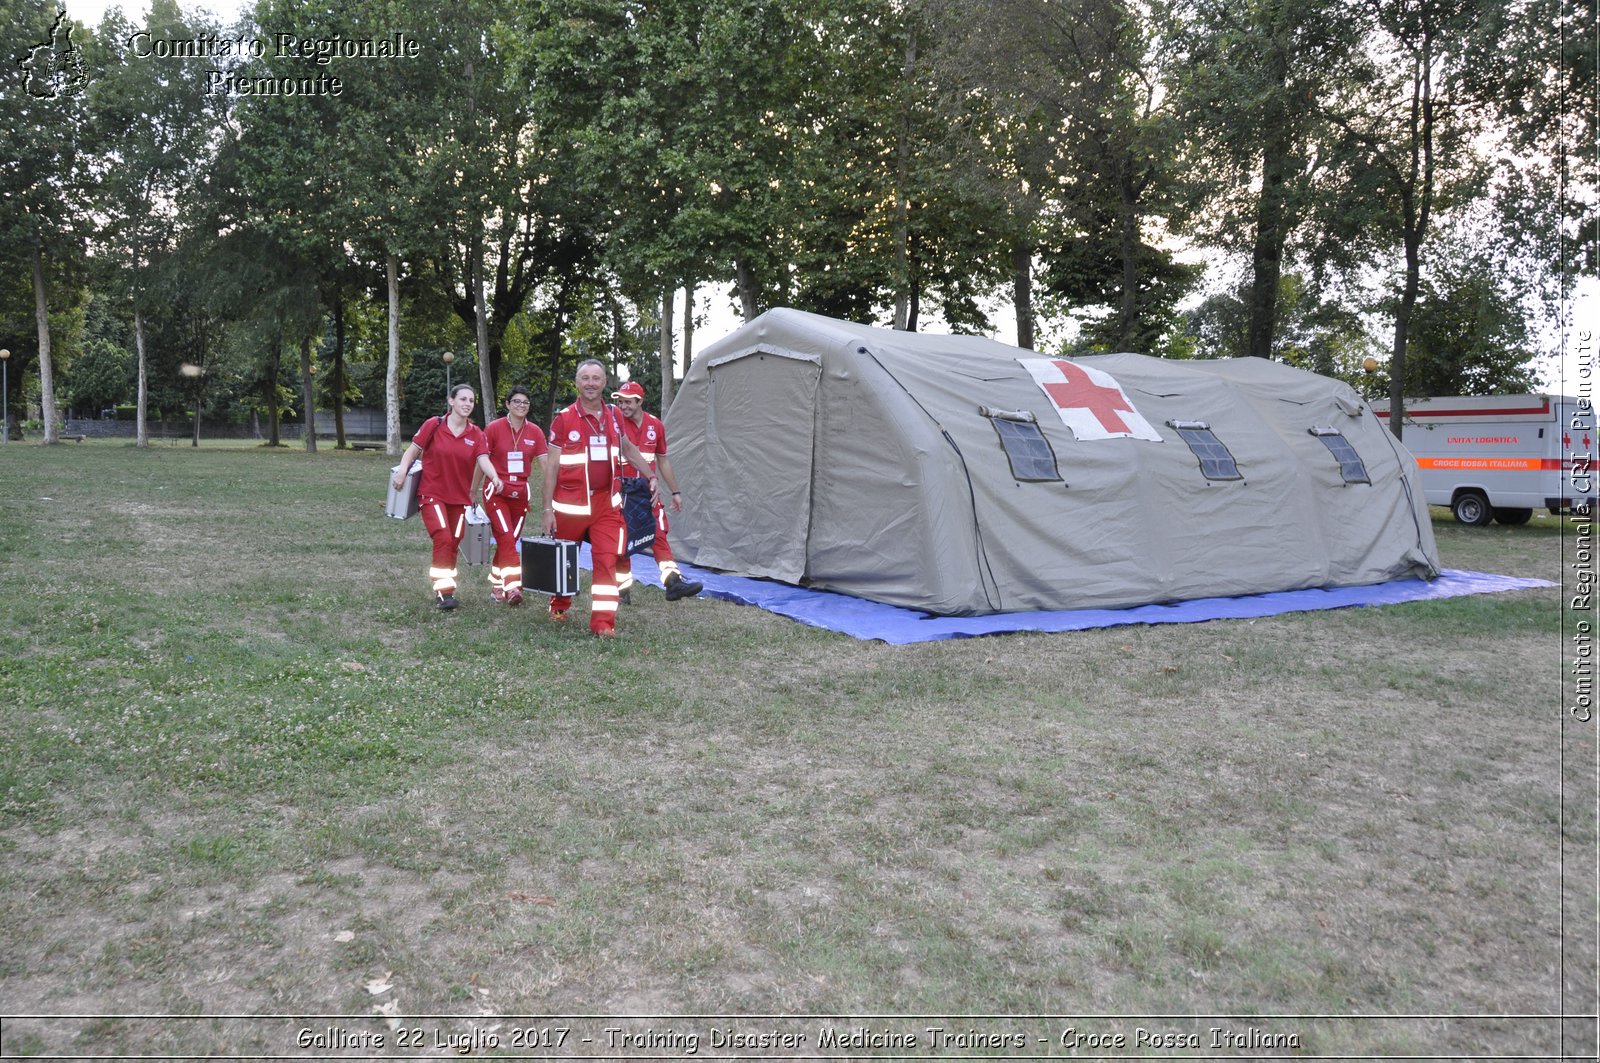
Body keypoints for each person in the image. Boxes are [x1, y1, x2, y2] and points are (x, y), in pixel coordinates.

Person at [539, 359, 660, 637]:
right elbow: (552, 468)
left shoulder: (616, 416)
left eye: (596, 378)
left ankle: (603, 623)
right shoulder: (564, 418)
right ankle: (559, 604)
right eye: (585, 378)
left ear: (605, 382)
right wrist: (547, 509)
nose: (591, 383)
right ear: (577, 382)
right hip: (570, 507)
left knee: (607, 560)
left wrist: (650, 475)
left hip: (607, 504)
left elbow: (628, 448)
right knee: (566, 561)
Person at [391, 384, 503, 610]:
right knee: (442, 536)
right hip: (432, 493)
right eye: (462, 399)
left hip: (460, 499)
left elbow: (483, 459)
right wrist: (402, 471)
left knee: (453, 541)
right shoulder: (434, 425)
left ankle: (446, 585)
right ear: (451, 401)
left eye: (471, 401)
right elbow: (413, 451)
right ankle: (444, 592)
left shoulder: (476, 434)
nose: (467, 404)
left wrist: (494, 476)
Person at [610, 380, 703, 604]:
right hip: (621, 490)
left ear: (640, 401)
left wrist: (675, 492)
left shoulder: (655, 425)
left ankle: (673, 582)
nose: (623, 406)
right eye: (620, 402)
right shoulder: (614, 423)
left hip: (647, 491)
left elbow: (663, 460)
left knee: (658, 534)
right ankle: (622, 590)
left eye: (628, 402)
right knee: (622, 541)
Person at [474, 386, 548, 606]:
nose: (521, 406)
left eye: (525, 402)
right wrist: (472, 490)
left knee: (510, 540)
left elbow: (546, 464)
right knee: (506, 537)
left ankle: (497, 584)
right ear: (507, 404)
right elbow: (481, 459)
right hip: (496, 491)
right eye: (516, 401)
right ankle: (513, 585)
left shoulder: (535, 431)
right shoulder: (494, 428)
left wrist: (558, 486)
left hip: (521, 492)